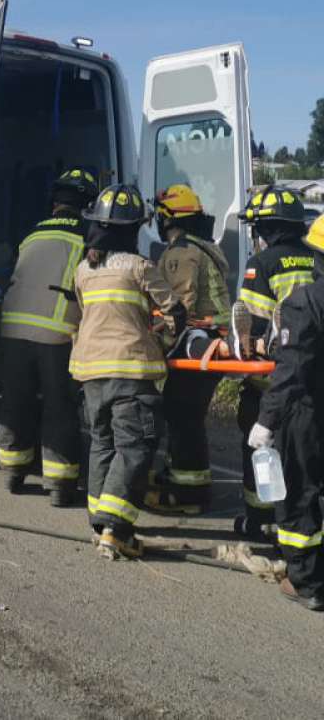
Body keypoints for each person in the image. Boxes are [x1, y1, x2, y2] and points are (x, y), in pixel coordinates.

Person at [72, 184, 183, 560]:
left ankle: (98, 521)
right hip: (131, 370)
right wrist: (164, 333)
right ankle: (116, 529)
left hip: (90, 372)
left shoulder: (83, 270)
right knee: (135, 447)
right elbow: (175, 311)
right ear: (133, 228)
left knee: (102, 444)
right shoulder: (140, 267)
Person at [0, 167, 99, 506]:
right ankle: (60, 485)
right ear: (87, 203)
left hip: (12, 327)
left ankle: (13, 473)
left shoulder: (32, 233)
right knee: (59, 407)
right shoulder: (89, 235)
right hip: (56, 333)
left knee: (16, 401)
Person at [250, 214, 324, 611]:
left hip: (308, 412)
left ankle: (307, 582)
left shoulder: (306, 301)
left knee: (298, 494)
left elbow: (292, 369)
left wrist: (266, 421)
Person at [232, 186, 315, 539]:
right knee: (307, 464)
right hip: (314, 382)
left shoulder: (261, 264)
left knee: (262, 452)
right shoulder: (318, 259)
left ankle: (261, 520)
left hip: (271, 384)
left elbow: (253, 333)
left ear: (266, 230)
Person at [146, 184, 231, 516]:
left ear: (168, 218)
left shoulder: (181, 253)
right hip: (212, 343)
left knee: (182, 416)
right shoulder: (203, 247)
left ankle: (189, 494)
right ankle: (183, 480)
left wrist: (154, 348)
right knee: (185, 414)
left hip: (197, 345)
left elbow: (178, 309)